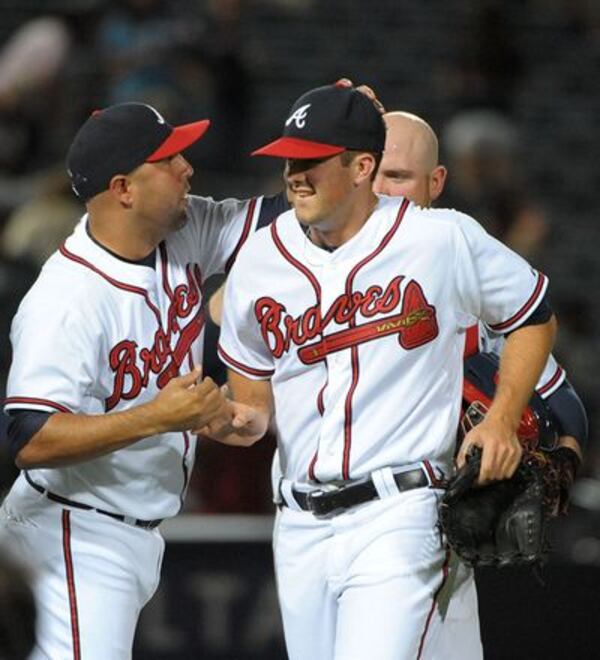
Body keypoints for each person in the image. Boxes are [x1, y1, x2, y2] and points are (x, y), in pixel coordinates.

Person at [210, 84, 557, 659]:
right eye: (289, 160)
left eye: (312, 160)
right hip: (298, 525)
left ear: (361, 166)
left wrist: (500, 419)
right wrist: (223, 419)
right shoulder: (260, 258)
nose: (295, 174)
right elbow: (253, 411)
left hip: (401, 514)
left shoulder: (438, 238)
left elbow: (533, 317)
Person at [0, 102, 267, 659]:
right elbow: (29, 438)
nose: (187, 167)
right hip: (70, 533)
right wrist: (161, 418)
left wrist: (341, 133)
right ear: (123, 188)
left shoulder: (181, 231)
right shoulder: (67, 300)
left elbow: (284, 218)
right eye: (169, 159)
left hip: (124, 531)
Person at [373, 110, 587, 659]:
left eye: (397, 177)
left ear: (435, 184)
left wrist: (563, 457)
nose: (381, 190)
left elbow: (562, 399)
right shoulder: (322, 269)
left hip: (442, 530)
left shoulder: (466, 268)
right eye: (373, 172)